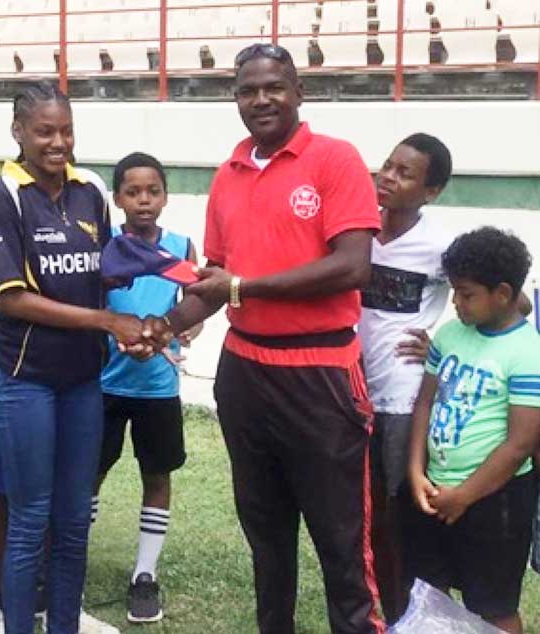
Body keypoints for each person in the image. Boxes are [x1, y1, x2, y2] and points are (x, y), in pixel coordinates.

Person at [143, 42, 386, 633]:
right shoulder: (228, 175)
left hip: (321, 374)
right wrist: (159, 328)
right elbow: (213, 280)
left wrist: (242, 287)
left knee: (342, 544)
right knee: (266, 535)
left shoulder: (334, 159)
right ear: (235, 100)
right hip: (245, 373)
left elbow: (353, 265)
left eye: (273, 86)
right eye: (247, 91)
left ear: (299, 90)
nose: (261, 100)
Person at [0, 81, 147, 634]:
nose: (58, 142)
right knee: (30, 520)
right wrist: (108, 322)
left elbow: (106, 274)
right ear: (18, 133)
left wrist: (155, 321)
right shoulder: (2, 195)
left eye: (67, 130)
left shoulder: (90, 192)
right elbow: (11, 299)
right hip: (25, 381)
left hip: (83, 381)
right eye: (44, 131)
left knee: (75, 521)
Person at [403, 227, 540, 634]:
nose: (456, 303)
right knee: (430, 591)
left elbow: (519, 445)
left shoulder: (528, 353)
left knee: (493, 606)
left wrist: (463, 496)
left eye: (466, 294)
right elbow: (425, 402)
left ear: (502, 293)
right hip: (434, 491)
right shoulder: (450, 335)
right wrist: (415, 471)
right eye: (454, 293)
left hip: (494, 504)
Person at [93, 152, 201, 623]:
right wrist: (119, 333)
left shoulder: (182, 247)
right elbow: (92, 308)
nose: (143, 200)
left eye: (152, 191)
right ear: (117, 198)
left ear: (165, 196)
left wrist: (171, 337)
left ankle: (144, 574)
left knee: (157, 477)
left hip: (158, 388)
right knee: (87, 475)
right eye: (132, 192)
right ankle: (68, 560)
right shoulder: (103, 245)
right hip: (102, 385)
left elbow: (195, 310)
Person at [358, 133, 453, 623]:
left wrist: (443, 343)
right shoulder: (357, 230)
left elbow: (507, 303)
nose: (388, 178)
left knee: (398, 516)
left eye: (405, 173)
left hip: (400, 400)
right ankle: (379, 609)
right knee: (363, 513)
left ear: (431, 192)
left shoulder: (439, 247)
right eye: (387, 166)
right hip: (349, 392)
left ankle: (407, 615)